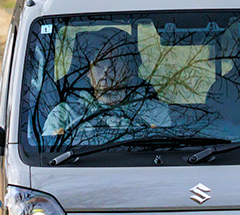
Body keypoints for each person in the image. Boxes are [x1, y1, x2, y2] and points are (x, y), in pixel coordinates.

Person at [42, 27, 171, 142]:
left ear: (129, 70)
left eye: (115, 61)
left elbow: (166, 149)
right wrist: (56, 140)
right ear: (88, 73)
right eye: (99, 63)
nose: (107, 70)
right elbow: (48, 150)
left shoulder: (154, 111)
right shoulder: (64, 114)